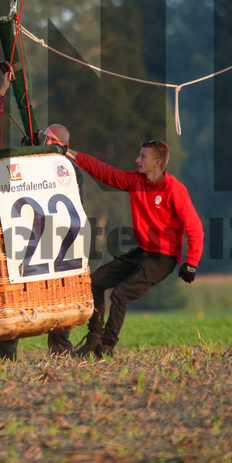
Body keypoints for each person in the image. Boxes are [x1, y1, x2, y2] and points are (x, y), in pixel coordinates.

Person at [67, 139, 203, 359]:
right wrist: (72, 153)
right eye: (139, 155)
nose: (137, 160)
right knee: (95, 282)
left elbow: (195, 227)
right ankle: (93, 340)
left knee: (120, 295)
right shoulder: (135, 181)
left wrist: (191, 263)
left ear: (157, 162)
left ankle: (106, 347)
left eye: (143, 157)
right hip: (142, 252)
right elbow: (105, 173)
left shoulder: (174, 189)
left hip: (163, 258)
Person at [0, 124, 82, 361]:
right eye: (44, 138)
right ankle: (8, 354)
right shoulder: (35, 164)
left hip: (58, 241)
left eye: (50, 139)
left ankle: (60, 350)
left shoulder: (69, 170)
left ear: (62, 145)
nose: (45, 142)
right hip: (31, 241)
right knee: (19, 294)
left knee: (61, 295)